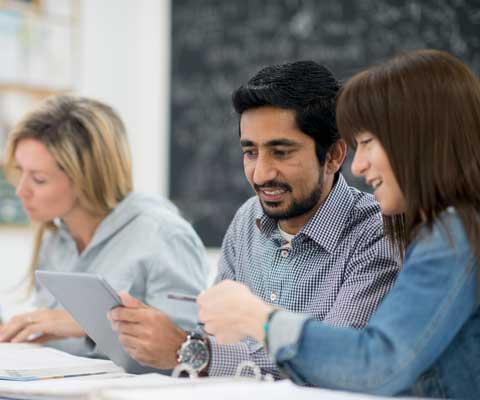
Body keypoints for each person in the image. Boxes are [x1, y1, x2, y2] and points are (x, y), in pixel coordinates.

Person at [196, 49, 480, 398]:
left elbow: (376, 365)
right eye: (250, 151)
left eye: (368, 142)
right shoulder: (447, 231)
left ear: (417, 140)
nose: (358, 167)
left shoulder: (452, 235)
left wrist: (262, 320)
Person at [108, 61, 400, 377]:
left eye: (281, 152)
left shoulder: (376, 234)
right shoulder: (248, 219)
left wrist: (191, 352)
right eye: (250, 152)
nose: (260, 174)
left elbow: (332, 364)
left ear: (333, 156)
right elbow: (216, 334)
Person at [0, 96, 209, 357]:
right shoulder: (55, 238)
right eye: (20, 173)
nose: (21, 191)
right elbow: (54, 340)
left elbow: (188, 354)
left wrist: (86, 323)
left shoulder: (163, 235)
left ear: (86, 178)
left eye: (39, 179)